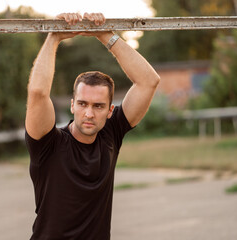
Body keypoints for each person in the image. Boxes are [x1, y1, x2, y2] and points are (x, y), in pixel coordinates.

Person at [25, 12, 160, 240]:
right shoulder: (47, 143)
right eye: (82, 104)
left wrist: (105, 34)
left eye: (98, 106)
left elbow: (149, 81)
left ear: (110, 111)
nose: (89, 113)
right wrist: (54, 37)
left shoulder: (111, 132)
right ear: (72, 105)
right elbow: (38, 93)